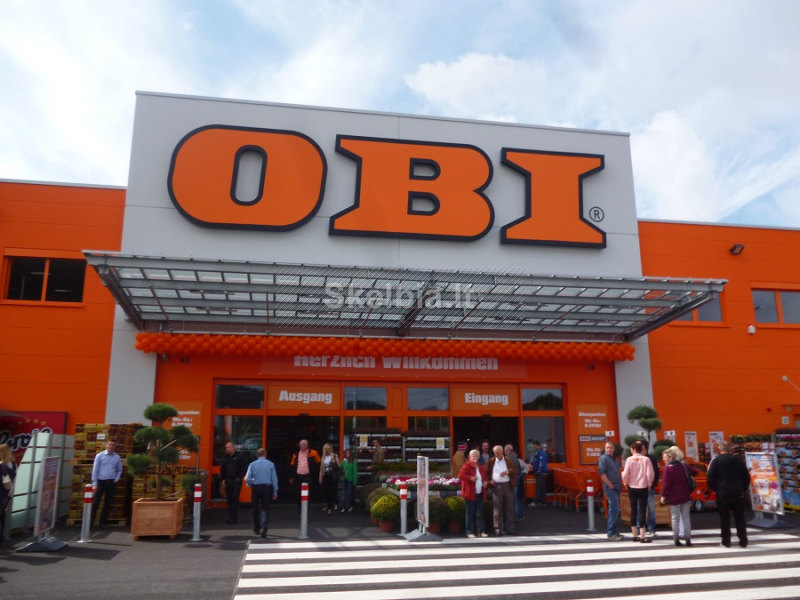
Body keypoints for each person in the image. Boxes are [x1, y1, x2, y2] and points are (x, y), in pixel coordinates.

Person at [707, 440, 751, 548]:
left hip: (723, 492)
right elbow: (746, 476)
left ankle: (726, 541)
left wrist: (715, 489)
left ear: (720, 449)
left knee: (724, 518)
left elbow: (710, 477)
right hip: (737, 492)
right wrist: (743, 489)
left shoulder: (716, 461)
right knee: (740, 517)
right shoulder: (738, 461)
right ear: (731, 449)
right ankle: (743, 540)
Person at [659, 445, 696, 547]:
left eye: (665, 457)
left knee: (675, 518)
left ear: (671, 458)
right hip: (685, 495)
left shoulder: (668, 469)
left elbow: (666, 485)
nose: (663, 459)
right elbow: (695, 472)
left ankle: (676, 539)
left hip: (674, 497)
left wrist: (663, 496)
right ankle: (688, 539)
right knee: (686, 518)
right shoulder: (683, 465)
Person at [622, 440, 655, 543]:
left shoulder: (629, 459)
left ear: (633, 449)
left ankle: (634, 535)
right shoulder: (646, 459)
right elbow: (650, 474)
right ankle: (643, 536)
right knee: (642, 510)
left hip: (632, 487)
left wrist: (625, 483)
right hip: (643, 487)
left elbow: (625, 473)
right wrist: (649, 484)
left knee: (633, 510)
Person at [244, 447, 278, 538]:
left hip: (256, 487)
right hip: (266, 487)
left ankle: (256, 528)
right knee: (265, 508)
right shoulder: (270, 464)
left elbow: (247, 478)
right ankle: (264, 528)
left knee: (255, 508)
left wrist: (251, 484)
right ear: (265, 454)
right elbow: (274, 479)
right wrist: (275, 491)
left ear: (257, 455)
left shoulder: (252, 464)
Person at [90, 439, 122, 529]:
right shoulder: (99, 456)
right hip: (100, 481)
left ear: (115, 447)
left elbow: (119, 470)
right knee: (96, 502)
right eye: (110, 444)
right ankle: (90, 523)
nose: (111, 446)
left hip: (111, 482)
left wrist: (116, 479)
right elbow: (95, 469)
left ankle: (102, 523)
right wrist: (94, 483)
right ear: (106, 445)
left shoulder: (117, 457)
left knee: (107, 503)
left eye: (113, 445)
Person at [486, 444, 517, 536]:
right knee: (497, 508)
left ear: (502, 452)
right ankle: (498, 528)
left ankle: (510, 528)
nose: (497, 455)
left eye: (498, 453)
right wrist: (489, 481)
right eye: (495, 453)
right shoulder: (491, 461)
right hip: (496, 486)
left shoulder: (508, 460)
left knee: (509, 507)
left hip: (507, 485)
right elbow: (485, 472)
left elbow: (515, 470)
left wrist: (507, 472)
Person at [458, 448, 488, 537]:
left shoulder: (480, 467)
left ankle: (481, 531)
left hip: (479, 492)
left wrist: (485, 482)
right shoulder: (467, 465)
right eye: (473, 456)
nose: (475, 457)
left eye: (477, 456)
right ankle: (469, 532)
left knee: (480, 513)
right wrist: (470, 478)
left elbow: (484, 477)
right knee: (470, 513)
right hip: (470, 493)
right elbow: (460, 475)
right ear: (470, 457)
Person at [598, 441, 624, 540]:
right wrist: (610, 485)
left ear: (614, 449)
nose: (608, 449)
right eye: (607, 448)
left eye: (610, 447)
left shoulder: (615, 459)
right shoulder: (603, 459)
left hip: (617, 487)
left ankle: (614, 531)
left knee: (615, 509)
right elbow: (602, 473)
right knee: (614, 509)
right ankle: (611, 533)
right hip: (610, 488)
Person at [219, 440, 249, 524]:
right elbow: (222, 469)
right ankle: (230, 516)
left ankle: (233, 518)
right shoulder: (226, 458)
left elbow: (244, 467)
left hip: (236, 481)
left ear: (233, 447)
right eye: (226, 448)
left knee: (234, 499)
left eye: (228, 447)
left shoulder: (240, 456)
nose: (227, 449)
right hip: (228, 481)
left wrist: (239, 476)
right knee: (229, 499)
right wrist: (223, 479)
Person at [289, 439, 320, 514]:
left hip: (308, 477)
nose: (301, 447)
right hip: (298, 477)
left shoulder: (313, 453)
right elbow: (292, 466)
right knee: (298, 495)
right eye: (300, 445)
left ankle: (306, 512)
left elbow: (318, 464)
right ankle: (300, 512)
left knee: (307, 495)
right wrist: (291, 477)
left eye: (303, 445)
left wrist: (315, 474)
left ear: (307, 446)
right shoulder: (296, 454)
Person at [641, 439, 660, 538]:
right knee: (640, 508)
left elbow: (656, 473)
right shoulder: (635, 458)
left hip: (649, 488)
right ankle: (640, 527)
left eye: (642, 448)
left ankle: (651, 528)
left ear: (646, 448)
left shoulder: (651, 459)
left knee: (651, 509)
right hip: (639, 487)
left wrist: (652, 485)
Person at [0, 443, 17, 542]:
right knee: (2, 514)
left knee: (2, 514)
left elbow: (5, 481)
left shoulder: (3, 465)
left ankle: (2, 535)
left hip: (3, 492)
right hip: (7, 493)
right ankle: (2, 535)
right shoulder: (13, 464)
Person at [319, 442, 340, 515]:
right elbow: (321, 468)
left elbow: (338, 466)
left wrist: (333, 460)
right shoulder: (323, 457)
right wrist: (320, 477)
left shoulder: (334, 456)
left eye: (330, 448)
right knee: (326, 492)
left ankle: (330, 508)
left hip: (332, 476)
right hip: (325, 475)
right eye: (327, 448)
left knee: (331, 492)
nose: (329, 450)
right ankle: (328, 505)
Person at [529, 440, 548, 507]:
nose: (534, 447)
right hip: (542, 473)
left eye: (535, 446)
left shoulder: (540, 453)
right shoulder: (538, 453)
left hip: (540, 473)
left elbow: (541, 463)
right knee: (542, 488)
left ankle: (535, 502)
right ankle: (543, 502)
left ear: (538, 446)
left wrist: (537, 471)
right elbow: (537, 462)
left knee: (538, 488)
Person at [339, 447, 358, 512]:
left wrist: (355, 481)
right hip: (344, 479)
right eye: (346, 453)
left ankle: (350, 506)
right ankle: (343, 507)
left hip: (351, 480)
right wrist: (341, 475)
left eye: (348, 453)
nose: (347, 454)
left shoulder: (353, 462)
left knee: (349, 493)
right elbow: (341, 469)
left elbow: (355, 472)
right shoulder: (343, 461)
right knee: (344, 493)